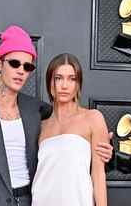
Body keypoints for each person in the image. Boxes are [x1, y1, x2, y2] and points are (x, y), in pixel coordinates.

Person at [0, 26, 112, 206]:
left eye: (27, 66)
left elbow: (70, 141)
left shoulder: (37, 111)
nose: (21, 70)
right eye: (14, 63)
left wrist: (107, 149)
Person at [31, 53, 108, 206]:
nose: (64, 85)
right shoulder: (41, 125)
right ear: (50, 83)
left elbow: (98, 175)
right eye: (58, 78)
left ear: (78, 84)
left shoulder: (93, 118)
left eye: (72, 79)